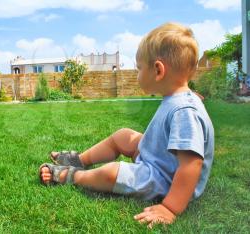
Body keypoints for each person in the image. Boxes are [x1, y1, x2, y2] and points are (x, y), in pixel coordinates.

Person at [39, 22, 214, 228]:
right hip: (160, 160)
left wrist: (170, 207)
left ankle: (74, 176)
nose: (137, 74)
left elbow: (191, 164)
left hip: (164, 178)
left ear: (158, 70)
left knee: (112, 172)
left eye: (139, 68)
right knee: (124, 136)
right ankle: (80, 160)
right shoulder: (180, 98)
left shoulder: (185, 111)